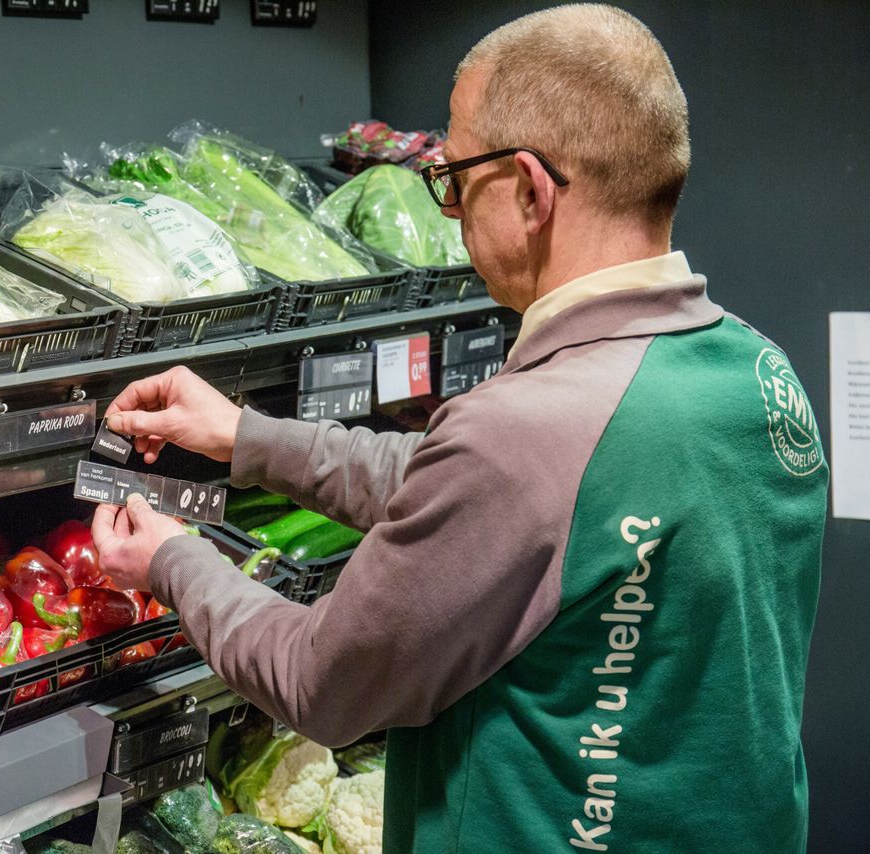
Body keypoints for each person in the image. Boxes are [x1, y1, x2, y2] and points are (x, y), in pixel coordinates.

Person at [91, 5, 827, 851]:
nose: (450, 211)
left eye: (453, 176)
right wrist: (245, 437)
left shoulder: (526, 434)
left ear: (528, 190)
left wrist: (173, 558)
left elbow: (319, 683)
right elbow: (513, 505)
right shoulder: (758, 373)